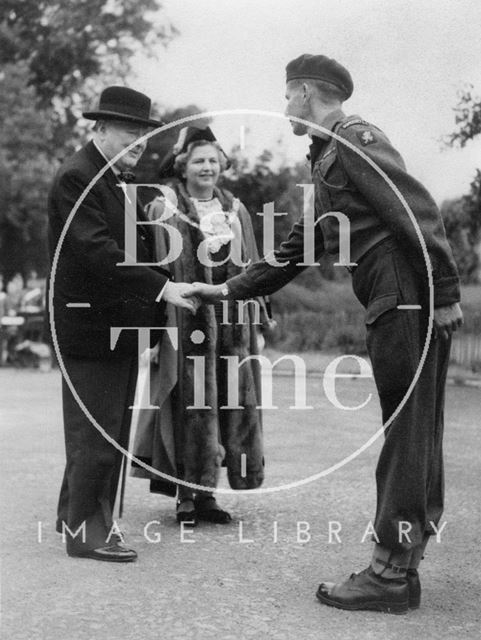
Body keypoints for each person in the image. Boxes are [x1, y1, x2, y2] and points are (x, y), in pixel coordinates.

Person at [186, 55, 463, 612]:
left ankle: (388, 573)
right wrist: (230, 289)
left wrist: (447, 290)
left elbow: (417, 209)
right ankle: (401, 566)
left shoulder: (354, 140)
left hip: (405, 296)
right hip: (395, 298)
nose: (285, 107)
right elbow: (303, 245)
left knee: (409, 434)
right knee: (412, 433)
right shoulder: (330, 157)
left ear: (307, 93)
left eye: (288, 96)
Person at [48, 86, 198, 562]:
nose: (140, 143)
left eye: (145, 134)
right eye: (130, 132)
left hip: (113, 327)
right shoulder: (79, 177)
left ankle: (72, 514)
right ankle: (87, 533)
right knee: (97, 431)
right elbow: (97, 252)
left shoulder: (109, 178)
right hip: (90, 329)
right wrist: (162, 288)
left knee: (103, 427)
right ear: (100, 129)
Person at [132, 126, 273, 526]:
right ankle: (185, 496)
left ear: (222, 165)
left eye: (213, 160)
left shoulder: (235, 210)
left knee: (228, 405)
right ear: (182, 165)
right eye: (199, 160)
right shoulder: (165, 208)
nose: (207, 167)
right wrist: (154, 330)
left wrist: (257, 320)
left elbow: (253, 266)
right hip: (183, 322)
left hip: (231, 326)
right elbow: (154, 269)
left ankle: (208, 493)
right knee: (188, 404)